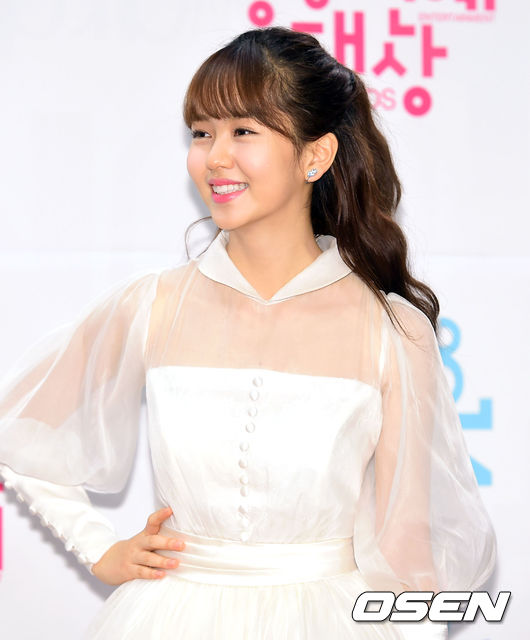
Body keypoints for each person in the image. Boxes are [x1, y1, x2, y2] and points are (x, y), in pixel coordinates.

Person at [0, 26, 496, 639]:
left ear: (316, 156)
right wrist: (98, 547)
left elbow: (409, 555)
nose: (215, 157)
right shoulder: (153, 305)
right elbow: (22, 429)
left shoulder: (392, 331)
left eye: (243, 131)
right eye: (201, 132)